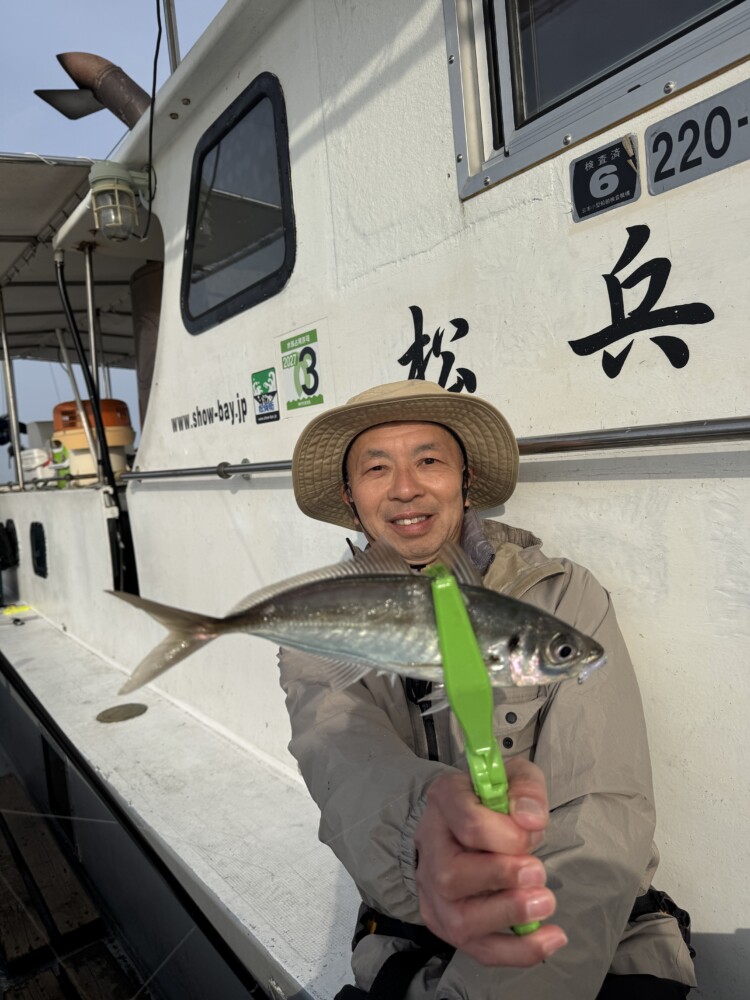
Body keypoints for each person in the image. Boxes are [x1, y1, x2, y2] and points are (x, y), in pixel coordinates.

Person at [279, 379, 696, 1000]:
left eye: (429, 460)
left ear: (466, 481)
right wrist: (427, 841)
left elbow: (603, 812)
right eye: (376, 468)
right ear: (350, 496)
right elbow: (343, 761)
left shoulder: (564, 595)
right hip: (414, 944)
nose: (405, 488)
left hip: (592, 939)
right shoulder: (321, 621)